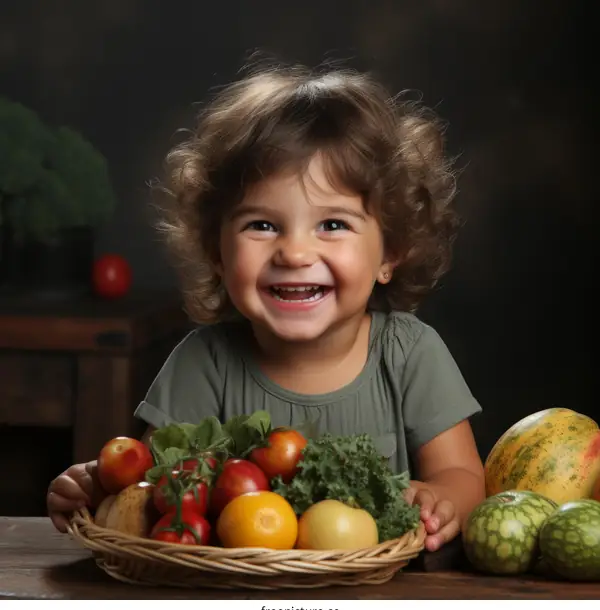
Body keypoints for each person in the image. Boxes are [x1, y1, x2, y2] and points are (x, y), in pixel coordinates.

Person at [47, 61, 485, 552]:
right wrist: (100, 485)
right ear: (217, 252)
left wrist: (444, 498)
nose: (294, 254)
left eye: (333, 225)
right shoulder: (204, 363)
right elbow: (153, 494)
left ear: (390, 252)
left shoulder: (410, 353)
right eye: (262, 225)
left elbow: (463, 473)